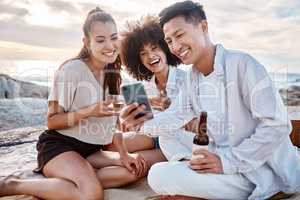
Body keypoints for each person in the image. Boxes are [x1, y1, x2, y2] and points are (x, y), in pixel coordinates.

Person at [119, 1, 300, 200]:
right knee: (162, 158)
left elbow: (277, 126)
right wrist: (140, 124)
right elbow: (176, 116)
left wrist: (226, 162)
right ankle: (198, 182)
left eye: (179, 35)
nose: (175, 46)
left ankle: (204, 188)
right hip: (219, 157)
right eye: (169, 41)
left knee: (158, 174)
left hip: (259, 171)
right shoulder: (192, 77)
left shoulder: (242, 64)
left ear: (203, 27)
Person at [0, 7, 147, 200]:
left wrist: (124, 154)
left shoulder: (113, 74)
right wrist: (89, 112)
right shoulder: (72, 70)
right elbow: (52, 121)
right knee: (91, 194)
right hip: (59, 147)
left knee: (136, 169)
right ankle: (14, 184)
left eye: (113, 37)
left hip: (92, 150)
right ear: (87, 43)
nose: (110, 45)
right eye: (100, 40)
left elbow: (114, 125)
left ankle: (72, 180)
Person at [118, 15, 195, 162]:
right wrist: (130, 119)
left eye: (154, 48)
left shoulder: (187, 79)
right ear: (138, 60)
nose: (150, 56)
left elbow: (194, 120)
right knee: (112, 144)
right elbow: (140, 124)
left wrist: (168, 107)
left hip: (177, 140)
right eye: (143, 53)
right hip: (151, 136)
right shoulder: (145, 88)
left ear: (166, 48)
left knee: (134, 163)